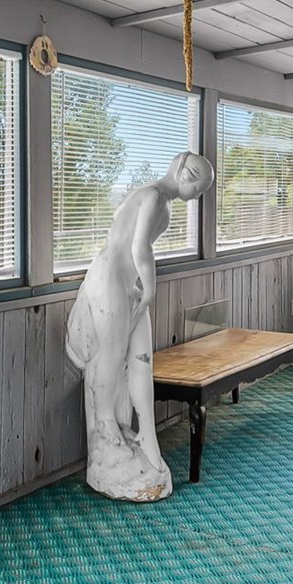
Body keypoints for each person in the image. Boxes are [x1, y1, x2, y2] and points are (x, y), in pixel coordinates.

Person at [66, 151, 214, 501]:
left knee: (141, 359)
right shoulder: (150, 196)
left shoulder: (162, 200)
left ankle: (145, 436)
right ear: (183, 173)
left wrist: (143, 290)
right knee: (112, 355)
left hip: (127, 284)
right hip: (111, 281)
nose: (198, 194)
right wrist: (150, 290)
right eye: (198, 185)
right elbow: (139, 247)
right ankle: (104, 421)